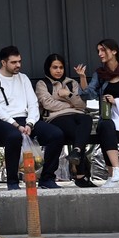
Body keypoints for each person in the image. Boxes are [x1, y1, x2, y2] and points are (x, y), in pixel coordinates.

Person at [0, 45, 65, 190]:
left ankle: (47, 178)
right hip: (0, 121)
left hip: (25, 120)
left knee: (56, 134)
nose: (18, 65)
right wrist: (15, 125)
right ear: (3, 62)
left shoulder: (23, 77)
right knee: (14, 136)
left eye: (19, 61)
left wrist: (30, 123)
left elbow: (33, 103)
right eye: (13, 62)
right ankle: (12, 182)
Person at [77, 38, 119, 188]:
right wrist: (82, 77)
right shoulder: (100, 74)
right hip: (109, 118)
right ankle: (115, 172)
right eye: (98, 51)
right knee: (105, 126)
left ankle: (113, 176)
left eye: (103, 50)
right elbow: (88, 95)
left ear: (114, 51)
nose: (100, 54)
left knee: (106, 129)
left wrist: (116, 101)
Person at [36, 53, 95, 188]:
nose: (58, 71)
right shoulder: (42, 84)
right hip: (56, 117)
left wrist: (68, 94)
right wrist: (70, 104)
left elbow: (82, 105)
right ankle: (80, 175)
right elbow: (48, 104)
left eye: (61, 67)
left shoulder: (71, 83)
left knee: (86, 119)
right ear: (48, 68)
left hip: (77, 115)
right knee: (78, 133)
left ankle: (76, 152)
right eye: (55, 67)